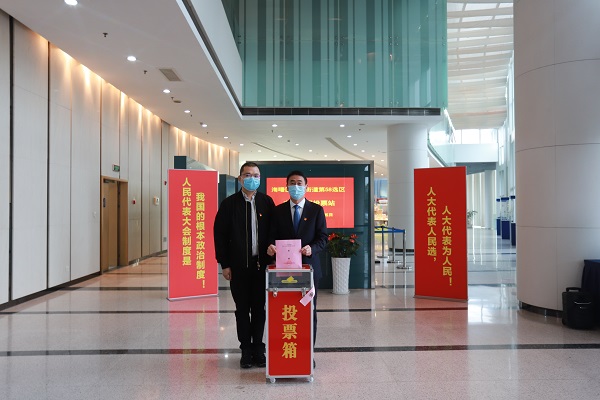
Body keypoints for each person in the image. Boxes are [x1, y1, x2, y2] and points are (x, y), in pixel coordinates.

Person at [213, 162, 275, 369]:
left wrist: (272, 251)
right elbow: (220, 235)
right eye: (247, 175)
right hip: (238, 267)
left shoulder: (267, 202)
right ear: (240, 178)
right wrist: (224, 264)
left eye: (256, 175)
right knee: (242, 310)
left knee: (259, 309)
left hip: (261, 267)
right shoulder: (229, 204)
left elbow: (273, 231)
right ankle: (245, 350)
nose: (252, 178)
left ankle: (259, 348)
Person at [267, 170, 328, 352]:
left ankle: (308, 353)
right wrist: (270, 247)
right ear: (286, 186)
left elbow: (323, 238)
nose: (296, 186)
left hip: (309, 269)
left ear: (306, 186)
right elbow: (270, 236)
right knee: (286, 309)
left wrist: (312, 248)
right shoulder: (277, 211)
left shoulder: (316, 210)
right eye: (292, 183)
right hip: (283, 270)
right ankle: (287, 351)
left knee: (309, 310)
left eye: (299, 183)